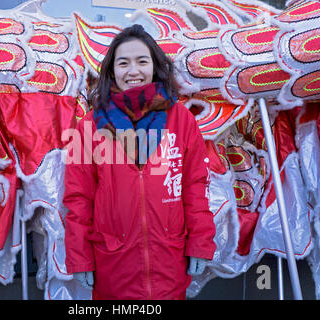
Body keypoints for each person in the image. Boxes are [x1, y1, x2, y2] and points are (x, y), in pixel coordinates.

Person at [63, 24, 216, 300]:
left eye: (142, 61)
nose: (133, 71)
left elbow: (196, 186)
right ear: (111, 72)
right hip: (113, 265)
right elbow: (78, 198)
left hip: (169, 262)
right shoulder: (89, 126)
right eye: (123, 63)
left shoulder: (181, 120)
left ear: (155, 67)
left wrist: (201, 241)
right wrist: (79, 257)